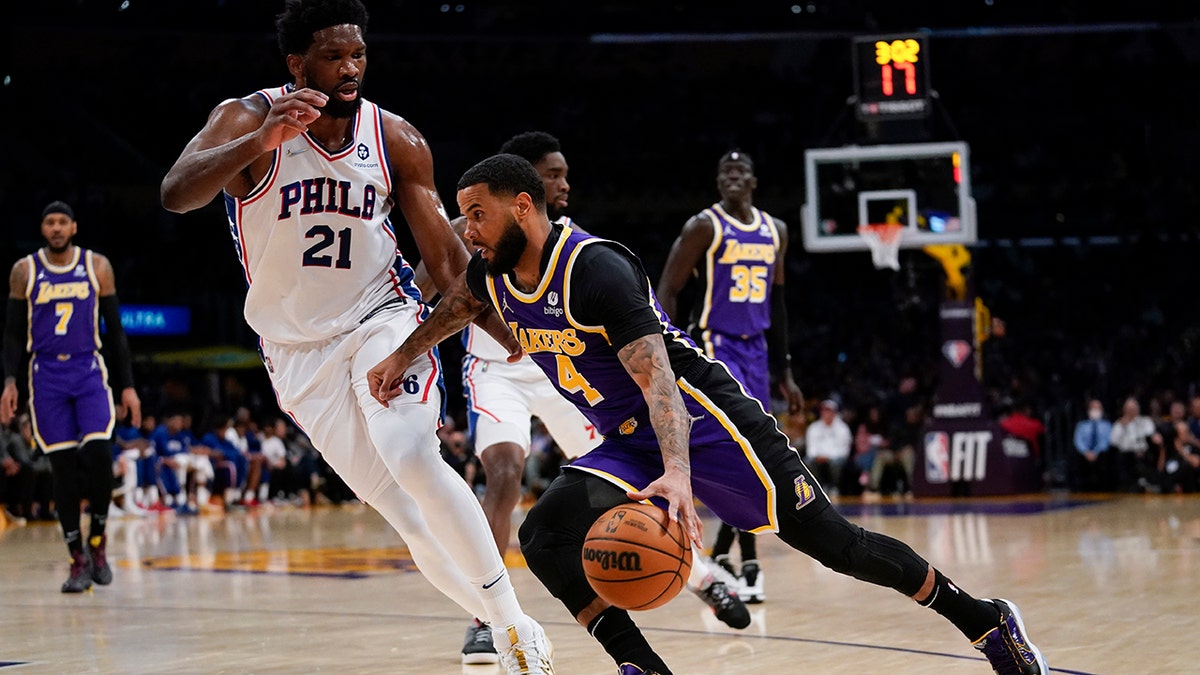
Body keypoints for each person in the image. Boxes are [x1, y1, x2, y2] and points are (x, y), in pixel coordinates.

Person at [367, 154, 1048, 675]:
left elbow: (659, 375)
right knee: (544, 535)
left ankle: (985, 619)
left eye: (476, 214)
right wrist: (402, 355)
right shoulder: (493, 273)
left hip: (711, 422)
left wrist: (678, 476)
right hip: (628, 438)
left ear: (522, 207)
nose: (466, 229)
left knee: (839, 547)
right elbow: (459, 304)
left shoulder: (594, 267)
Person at [158, 2, 552, 670]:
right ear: (295, 64)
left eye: (359, 55)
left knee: (408, 450)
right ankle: (504, 618)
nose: (350, 69)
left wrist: (501, 326)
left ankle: (512, 631)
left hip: (381, 315)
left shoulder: (395, 139)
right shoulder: (245, 119)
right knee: (402, 512)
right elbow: (175, 193)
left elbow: (450, 262)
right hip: (295, 349)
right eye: (334, 56)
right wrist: (260, 143)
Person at [418, 132, 749, 651]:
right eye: (552, 174)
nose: (563, 184)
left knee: (633, 480)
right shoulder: (468, 231)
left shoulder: (568, 244)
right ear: (520, 182)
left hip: (563, 371)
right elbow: (427, 286)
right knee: (502, 475)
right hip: (497, 369)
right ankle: (489, 616)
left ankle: (704, 578)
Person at [656, 149, 803, 603]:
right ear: (719, 182)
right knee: (741, 445)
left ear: (753, 181)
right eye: (725, 173)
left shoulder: (775, 230)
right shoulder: (705, 226)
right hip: (715, 345)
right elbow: (669, 288)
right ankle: (751, 563)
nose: (732, 179)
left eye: (740, 172)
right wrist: (665, 349)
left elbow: (777, 305)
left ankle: (726, 556)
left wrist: (786, 370)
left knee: (755, 445)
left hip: (757, 349)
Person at [1, 200, 142, 592]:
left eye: (63, 221)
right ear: (43, 229)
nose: (57, 228)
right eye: (50, 222)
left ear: (74, 227)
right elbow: (12, 335)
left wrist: (127, 386)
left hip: (88, 371)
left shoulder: (97, 266)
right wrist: (10, 382)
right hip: (45, 374)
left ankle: (98, 541)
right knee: (62, 468)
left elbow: (115, 333)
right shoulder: (24, 271)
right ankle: (76, 557)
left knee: (98, 457)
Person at [804, 399, 853, 497]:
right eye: (824, 411)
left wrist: (828, 457)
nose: (826, 413)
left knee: (836, 463)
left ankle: (834, 487)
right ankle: (817, 487)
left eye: (828, 411)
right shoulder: (813, 427)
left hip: (835, 457)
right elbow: (811, 448)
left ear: (834, 413)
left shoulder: (843, 428)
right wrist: (818, 456)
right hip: (818, 456)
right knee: (808, 461)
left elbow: (843, 450)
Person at [1072, 398, 1114, 492]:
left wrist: (1095, 452)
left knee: (1106, 457)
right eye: (1093, 408)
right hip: (1084, 455)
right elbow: (1078, 441)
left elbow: (1106, 441)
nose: (1095, 410)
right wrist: (1086, 452)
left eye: (1097, 408)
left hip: (1101, 455)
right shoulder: (1081, 425)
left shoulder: (1107, 425)